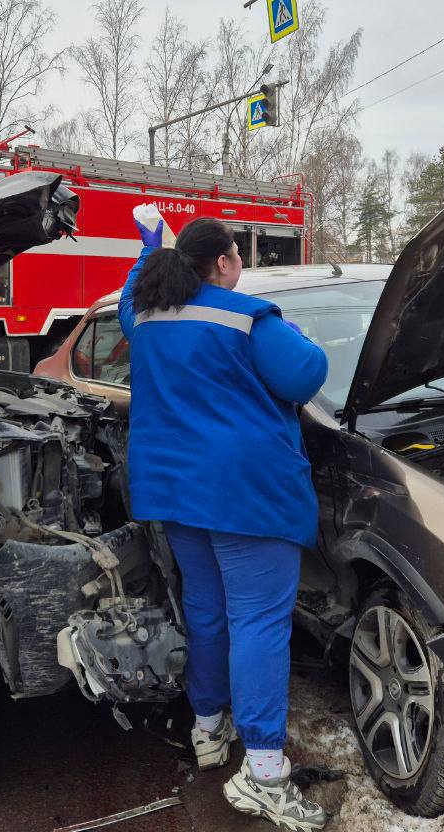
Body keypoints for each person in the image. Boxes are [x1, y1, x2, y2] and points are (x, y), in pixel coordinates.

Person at [118, 207, 330, 831]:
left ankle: (209, 729)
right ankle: (264, 774)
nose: (243, 263)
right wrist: (296, 330)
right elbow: (307, 374)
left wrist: (146, 245)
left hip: (178, 495)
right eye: (239, 253)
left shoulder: (149, 318)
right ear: (222, 263)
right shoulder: (247, 318)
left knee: (208, 614)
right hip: (246, 496)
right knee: (259, 623)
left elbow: (132, 298)